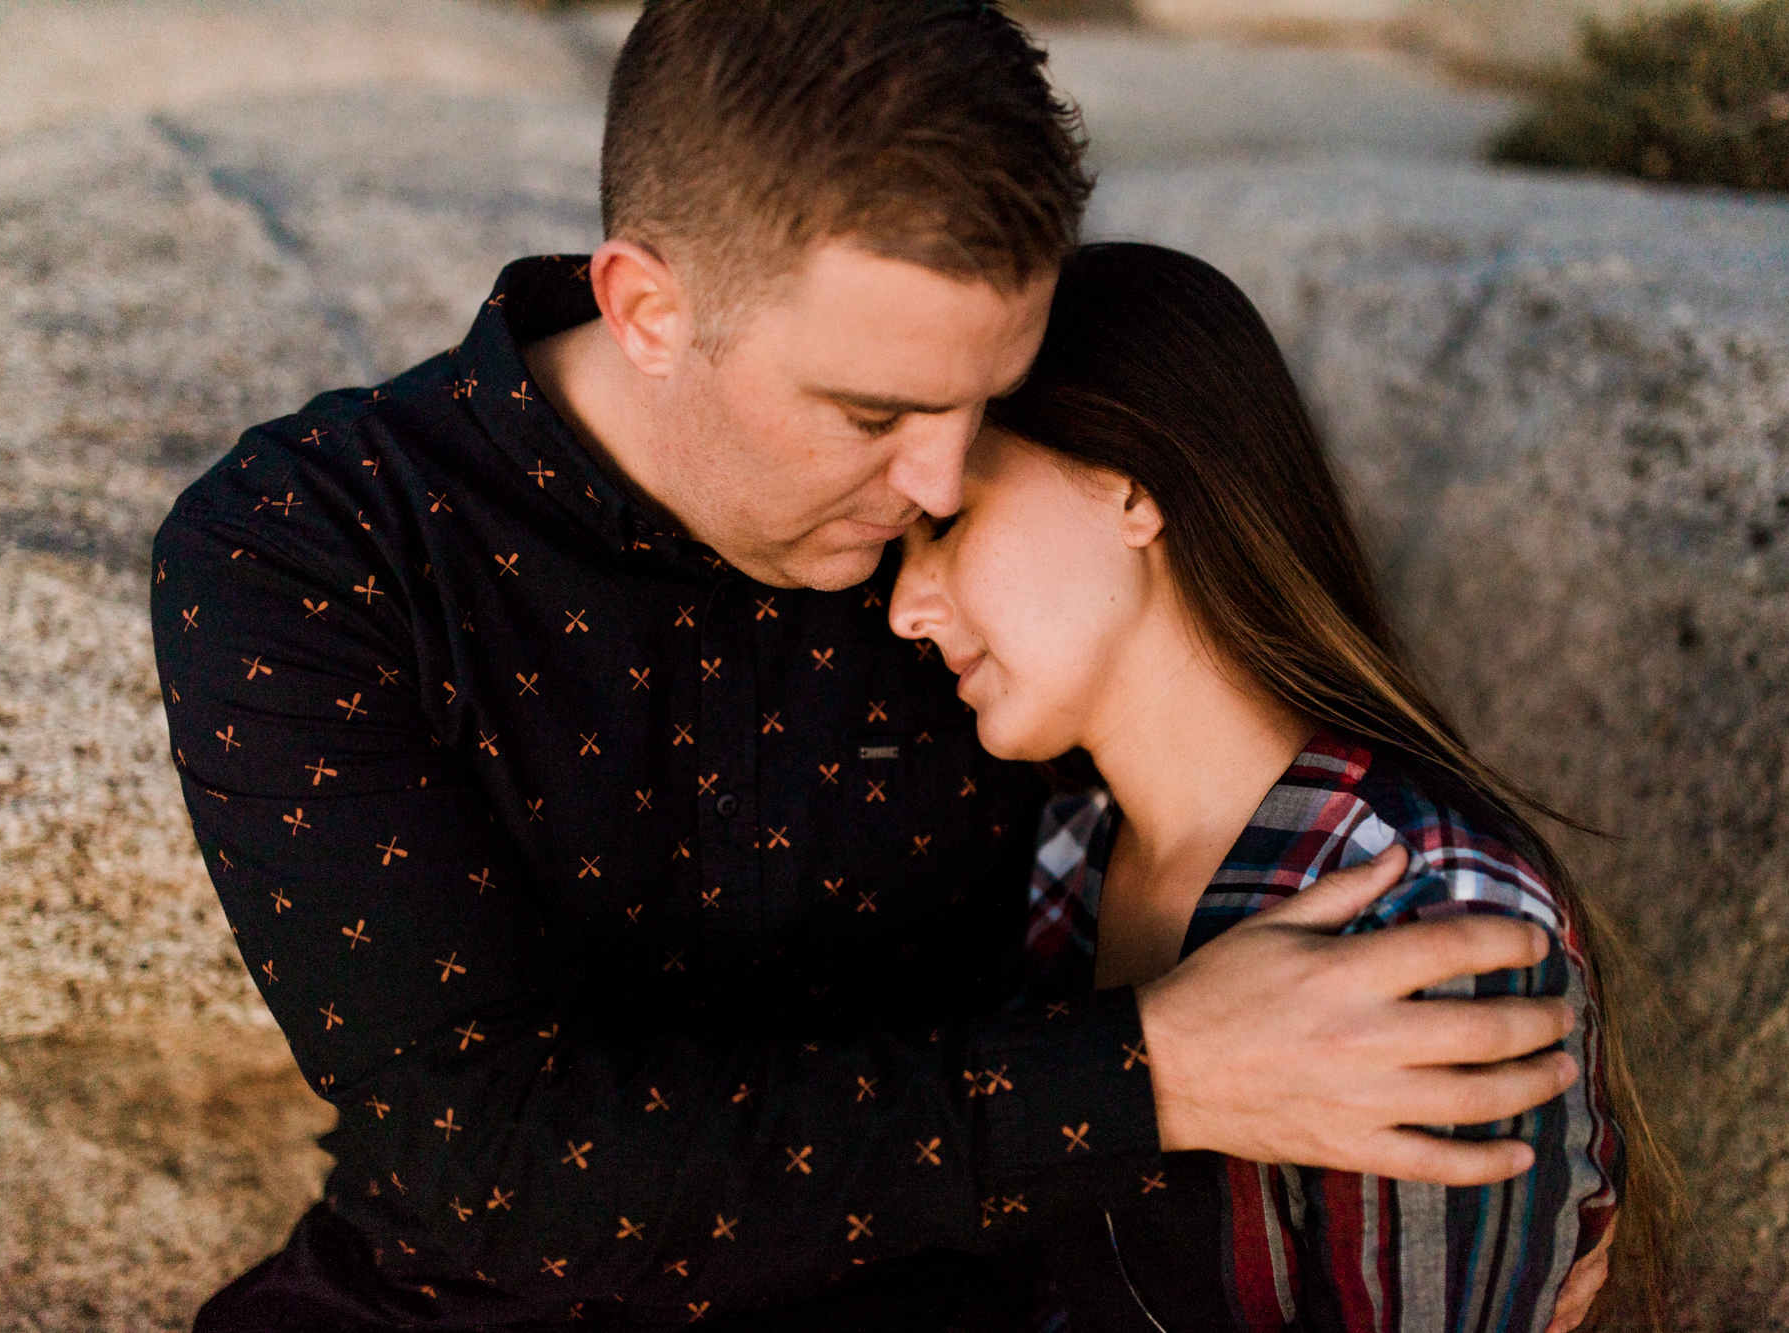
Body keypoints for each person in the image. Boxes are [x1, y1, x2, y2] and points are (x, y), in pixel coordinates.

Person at [150, 4, 1593, 1329]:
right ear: (648, 308)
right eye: (873, 413)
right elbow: (489, 1165)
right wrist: (1154, 1075)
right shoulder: (307, 546)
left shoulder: (996, 569)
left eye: (992, 401)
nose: (941, 478)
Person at [889, 242, 1668, 1332]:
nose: (905, 607)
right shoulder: (1062, 850)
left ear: (1127, 488)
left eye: (948, 523)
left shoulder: (1430, 915)